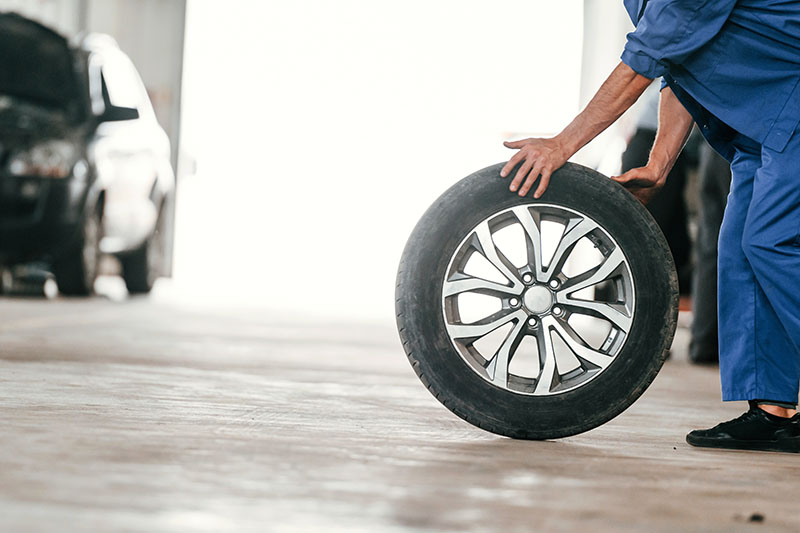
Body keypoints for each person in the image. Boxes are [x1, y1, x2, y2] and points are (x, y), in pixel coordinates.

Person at [499, 0, 800, 452]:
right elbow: (680, 61)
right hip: (764, 126)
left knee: (769, 243)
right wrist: (658, 164)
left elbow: (649, 52)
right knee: (739, 249)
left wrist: (563, 144)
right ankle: (772, 409)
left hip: (790, 110)